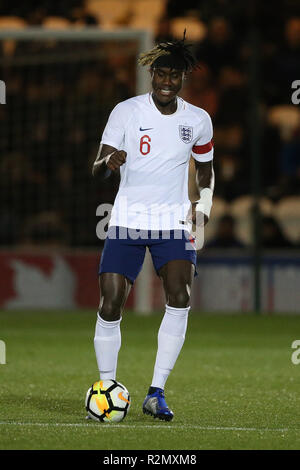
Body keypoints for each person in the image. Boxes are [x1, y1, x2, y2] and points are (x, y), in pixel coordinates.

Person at [92, 32, 215, 421]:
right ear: (150, 74)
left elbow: (207, 170)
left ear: (182, 79)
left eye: (173, 77)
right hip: (127, 219)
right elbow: (97, 166)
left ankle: (156, 392)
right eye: (160, 74)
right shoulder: (126, 112)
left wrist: (205, 204)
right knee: (111, 302)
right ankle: (106, 385)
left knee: (179, 296)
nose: (166, 82)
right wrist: (108, 163)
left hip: (173, 222)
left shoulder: (197, 120)